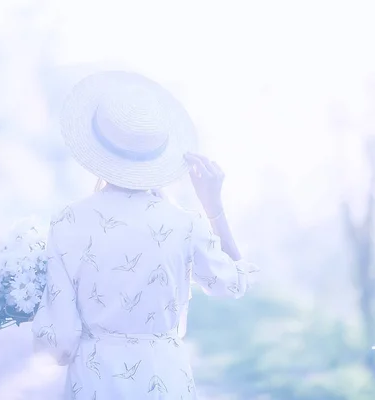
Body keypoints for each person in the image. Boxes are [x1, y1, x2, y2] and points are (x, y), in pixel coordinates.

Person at [31, 71, 259, 399]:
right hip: (164, 380)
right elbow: (235, 282)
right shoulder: (184, 225)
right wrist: (215, 208)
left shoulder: (68, 222)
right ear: (158, 154)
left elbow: (60, 341)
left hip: (96, 382)